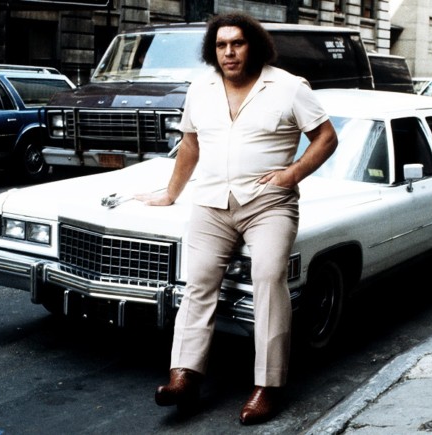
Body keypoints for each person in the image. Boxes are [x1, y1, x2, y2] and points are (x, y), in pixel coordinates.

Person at [135, 12, 338, 425]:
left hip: (269, 204)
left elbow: (326, 137)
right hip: (212, 203)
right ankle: (184, 376)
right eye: (221, 45)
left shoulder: (288, 87)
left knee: (268, 277)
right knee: (198, 281)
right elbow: (190, 145)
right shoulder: (201, 88)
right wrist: (171, 193)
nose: (229, 52)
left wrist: (292, 174)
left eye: (237, 43)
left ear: (254, 46)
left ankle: (268, 385)